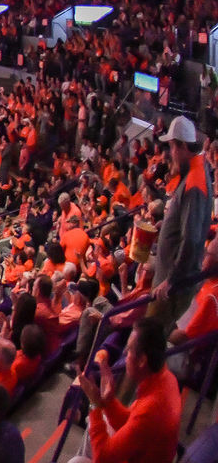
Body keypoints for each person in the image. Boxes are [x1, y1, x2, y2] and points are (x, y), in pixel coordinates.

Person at [75, 318, 181, 463]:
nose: (125, 352)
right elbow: (130, 422)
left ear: (142, 360)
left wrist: (95, 405)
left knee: (76, 461)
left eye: (129, 349)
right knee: (100, 422)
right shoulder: (166, 378)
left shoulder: (152, 408)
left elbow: (103, 457)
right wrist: (108, 402)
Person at [151, 115, 211, 324]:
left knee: (150, 338)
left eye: (172, 147)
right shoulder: (194, 172)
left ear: (183, 146)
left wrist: (170, 281)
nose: (170, 154)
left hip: (171, 288)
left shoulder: (195, 181)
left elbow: (192, 240)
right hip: (170, 282)